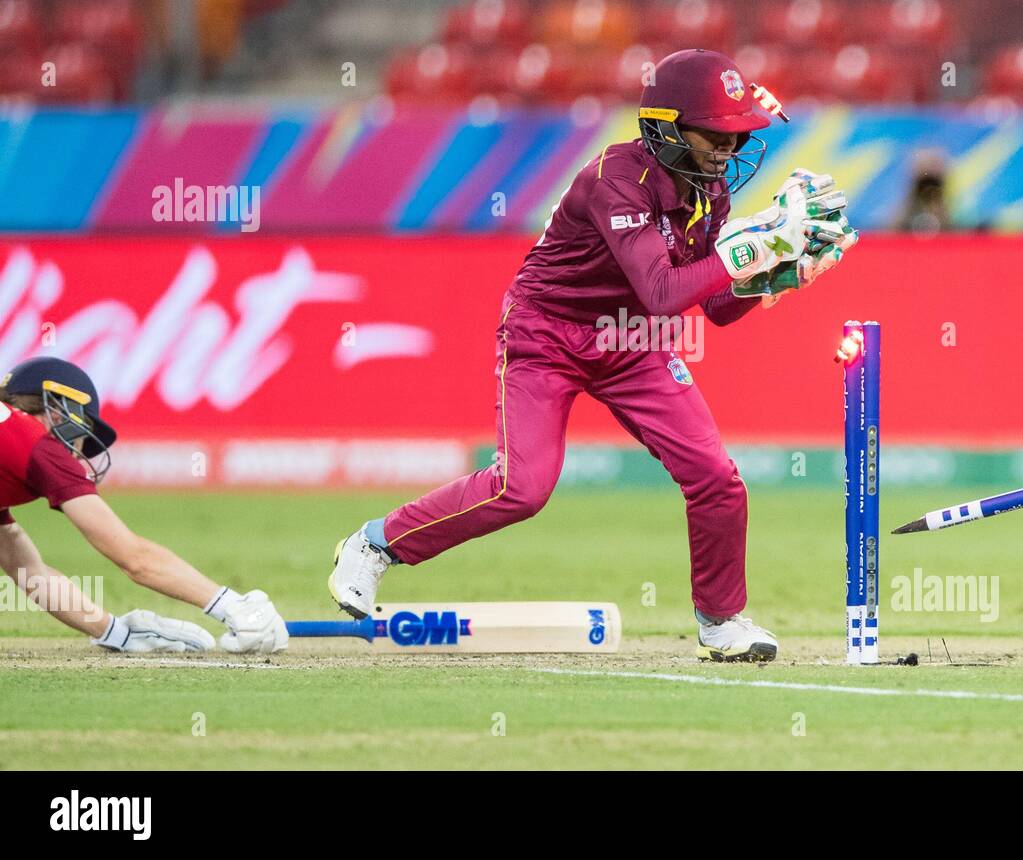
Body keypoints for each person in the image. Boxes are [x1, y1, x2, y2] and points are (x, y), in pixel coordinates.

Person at [329, 49, 856, 661]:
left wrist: (778, 278)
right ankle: (374, 545)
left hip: (632, 342)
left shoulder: (710, 191)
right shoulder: (614, 177)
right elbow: (662, 292)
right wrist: (760, 249)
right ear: (665, 125)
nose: (728, 148)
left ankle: (721, 622)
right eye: (715, 132)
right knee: (521, 488)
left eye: (737, 133)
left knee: (716, 479)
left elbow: (708, 306)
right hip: (548, 334)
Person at [0, 356, 288, 654]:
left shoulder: (11, 439)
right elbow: (133, 557)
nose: (77, 450)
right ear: (60, 411)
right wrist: (231, 605)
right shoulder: (35, 443)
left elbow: (30, 573)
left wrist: (115, 632)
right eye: (81, 431)